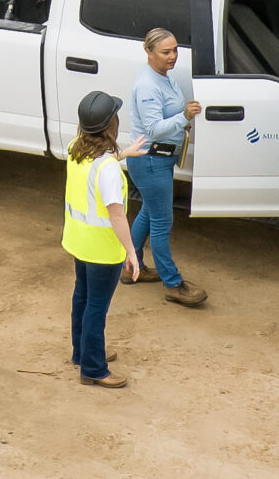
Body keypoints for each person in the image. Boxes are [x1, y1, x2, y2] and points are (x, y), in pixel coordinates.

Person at [63, 90, 144, 389]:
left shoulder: (75, 148)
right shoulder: (108, 168)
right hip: (102, 250)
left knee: (81, 297)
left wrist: (124, 154)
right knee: (97, 306)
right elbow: (117, 216)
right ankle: (94, 369)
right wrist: (132, 252)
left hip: (78, 242)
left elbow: (95, 165)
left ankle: (82, 353)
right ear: (112, 125)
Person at [126, 27, 208, 308]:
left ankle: (130, 266)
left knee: (150, 212)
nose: (173, 56)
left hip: (158, 160)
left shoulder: (162, 77)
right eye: (165, 52)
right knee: (162, 222)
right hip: (151, 159)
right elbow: (153, 128)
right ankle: (173, 284)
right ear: (148, 52)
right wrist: (184, 115)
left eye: (175, 50)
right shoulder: (148, 86)